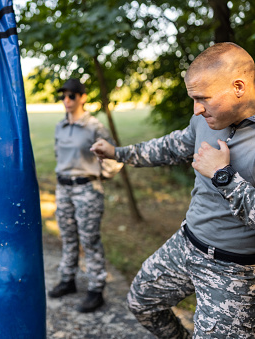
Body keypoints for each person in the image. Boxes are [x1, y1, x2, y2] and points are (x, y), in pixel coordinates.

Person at [91, 42, 255, 337]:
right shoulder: (206, 118)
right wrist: (118, 153)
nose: (196, 109)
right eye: (193, 99)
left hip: (235, 271)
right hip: (185, 245)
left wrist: (223, 175)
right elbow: (170, 147)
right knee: (142, 303)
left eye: (203, 98)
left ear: (239, 87)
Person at [47, 78, 121, 313]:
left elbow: (113, 157)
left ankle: (96, 288)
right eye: (64, 96)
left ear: (83, 97)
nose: (67, 100)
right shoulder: (60, 126)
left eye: (72, 96)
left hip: (86, 190)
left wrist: (100, 177)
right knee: (68, 237)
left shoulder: (94, 127)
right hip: (64, 189)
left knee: (89, 240)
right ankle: (68, 280)